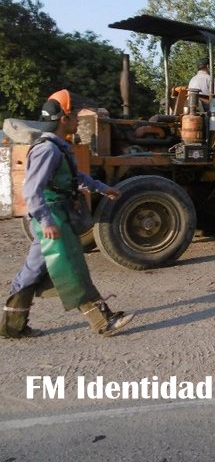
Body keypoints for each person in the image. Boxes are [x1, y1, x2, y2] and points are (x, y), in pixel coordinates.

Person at [0, 92, 135, 339]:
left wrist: (101, 188)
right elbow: (31, 190)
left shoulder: (58, 147)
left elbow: (74, 177)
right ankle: (103, 321)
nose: (78, 120)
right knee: (70, 266)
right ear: (63, 118)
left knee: (37, 270)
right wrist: (46, 221)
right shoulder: (47, 150)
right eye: (74, 115)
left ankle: (12, 326)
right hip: (53, 218)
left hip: (59, 215)